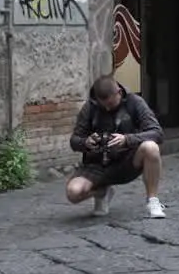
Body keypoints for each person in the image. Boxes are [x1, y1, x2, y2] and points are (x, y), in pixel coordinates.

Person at [66, 75, 166, 219]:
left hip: (126, 161)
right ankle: (102, 192)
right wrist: (85, 142)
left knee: (151, 148)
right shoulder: (90, 107)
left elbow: (157, 133)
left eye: (111, 104)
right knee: (73, 193)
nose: (107, 108)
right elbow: (74, 141)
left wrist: (127, 139)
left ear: (119, 92)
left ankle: (153, 201)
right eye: (103, 105)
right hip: (96, 165)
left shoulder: (134, 102)